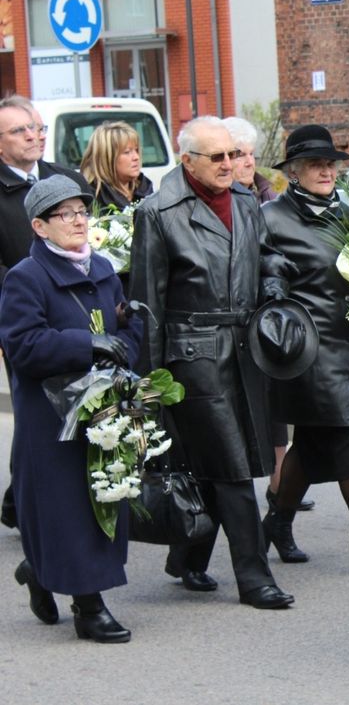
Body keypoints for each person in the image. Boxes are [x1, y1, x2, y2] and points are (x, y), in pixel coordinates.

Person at [129, 115, 295, 610]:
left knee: (215, 460)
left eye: (233, 155)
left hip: (246, 345)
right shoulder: (159, 212)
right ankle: (253, 575)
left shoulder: (245, 201)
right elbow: (147, 304)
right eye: (217, 157)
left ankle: (188, 558)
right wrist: (150, 386)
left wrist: (273, 286)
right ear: (188, 161)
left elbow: (269, 256)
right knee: (232, 464)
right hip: (193, 351)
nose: (230, 165)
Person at [0, 175, 141, 642]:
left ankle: (39, 571)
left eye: (83, 211)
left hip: (102, 409)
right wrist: (88, 344)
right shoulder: (26, 277)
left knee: (103, 497)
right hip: (51, 416)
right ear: (40, 226)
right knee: (68, 508)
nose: (79, 220)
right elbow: (22, 345)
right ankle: (89, 606)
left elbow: (121, 329)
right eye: (66, 215)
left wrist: (128, 334)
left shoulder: (100, 265)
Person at [259, 124, 349, 577]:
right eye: (315, 164)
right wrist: (276, 283)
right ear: (294, 171)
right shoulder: (272, 216)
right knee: (348, 430)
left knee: (314, 440)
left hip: (348, 342)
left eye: (331, 164)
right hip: (305, 347)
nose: (326, 171)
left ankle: (275, 525)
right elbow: (266, 276)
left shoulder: (348, 209)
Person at [0, 97, 91, 531]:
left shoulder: (65, 179)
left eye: (37, 127)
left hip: (77, 306)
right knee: (35, 409)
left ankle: (30, 498)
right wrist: (30, 282)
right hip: (21, 310)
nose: (34, 135)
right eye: (21, 130)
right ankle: (26, 499)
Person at [222, 116, 313, 513]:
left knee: (274, 405)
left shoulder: (262, 196)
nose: (245, 161)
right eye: (237, 154)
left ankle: (280, 482)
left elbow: (270, 253)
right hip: (226, 322)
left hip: (265, 317)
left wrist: (276, 279)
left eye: (249, 154)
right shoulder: (219, 202)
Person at [79, 121, 154, 210]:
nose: (136, 157)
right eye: (127, 152)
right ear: (107, 158)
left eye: (137, 150)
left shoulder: (146, 189)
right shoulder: (90, 196)